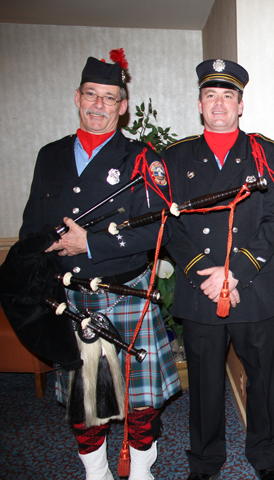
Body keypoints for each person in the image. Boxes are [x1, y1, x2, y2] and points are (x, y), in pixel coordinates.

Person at [19, 53, 181, 480]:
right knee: (82, 394)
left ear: (122, 106)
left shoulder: (142, 157)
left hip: (126, 290)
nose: (98, 105)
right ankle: (96, 471)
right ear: (77, 98)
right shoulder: (49, 156)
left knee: (140, 396)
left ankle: (141, 467)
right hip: (70, 296)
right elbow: (31, 224)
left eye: (109, 98)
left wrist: (88, 242)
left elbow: (159, 229)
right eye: (91, 94)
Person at [163, 59, 274, 480]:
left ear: (240, 105)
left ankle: (266, 457)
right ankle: (204, 461)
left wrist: (232, 272)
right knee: (203, 384)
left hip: (252, 287)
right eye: (211, 96)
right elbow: (169, 225)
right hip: (200, 291)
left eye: (228, 96)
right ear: (200, 104)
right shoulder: (175, 157)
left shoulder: (265, 152)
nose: (220, 104)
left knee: (264, 381)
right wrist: (207, 273)